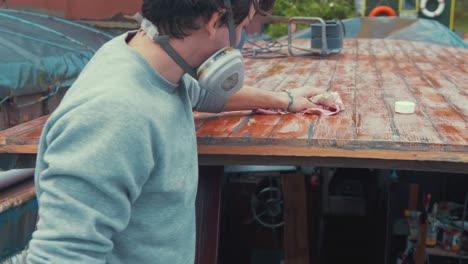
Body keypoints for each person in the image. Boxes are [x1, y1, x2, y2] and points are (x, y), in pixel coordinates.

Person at [27, 0, 320, 263]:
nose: (241, 40)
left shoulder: (149, 60)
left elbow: (205, 94)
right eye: (241, 27)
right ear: (214, 21)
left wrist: (286, 99)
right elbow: (61, 257)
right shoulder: (114, 116)